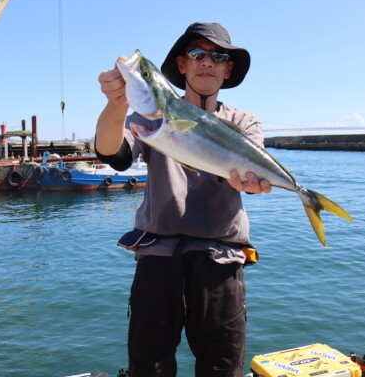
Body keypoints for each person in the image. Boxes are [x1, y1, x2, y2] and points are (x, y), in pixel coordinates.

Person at [95, 22, 271, 377]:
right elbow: (114, 154)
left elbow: (255, 177)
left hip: (220, 259)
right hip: (158, 255)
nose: (207, 62)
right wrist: (116, 105)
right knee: (149, 367)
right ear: (182, 64)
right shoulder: (148, 118)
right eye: (197, 54)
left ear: (227, 68)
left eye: (217, 56)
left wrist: (253, 184)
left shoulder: (243, 122)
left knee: (222, 368)